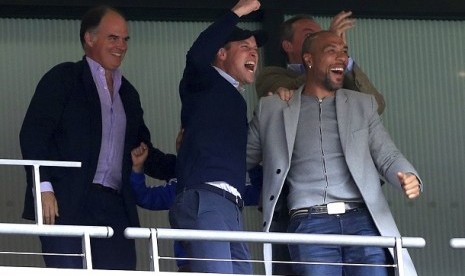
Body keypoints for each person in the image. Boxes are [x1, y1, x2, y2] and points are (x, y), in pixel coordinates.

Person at [246, 30, 422, 275]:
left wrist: (407, 176)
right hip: (309, 222)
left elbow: (388, 155)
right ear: (308, 59)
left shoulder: (363, 104)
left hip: (362, 220)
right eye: (331, 51)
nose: (341, 57)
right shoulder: (274, 108)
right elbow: (242, 157)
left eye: (345, 52)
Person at [19, 5, 176, 270]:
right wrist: (43, 186)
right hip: (64, 202)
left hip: (115, 207)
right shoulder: (64, 78)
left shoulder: (129, 94)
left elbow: (144, 151)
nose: (121, 46)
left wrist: (191, 165)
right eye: (113, 38)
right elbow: (34, 133)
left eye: (125, 39)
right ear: (89, 39)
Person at [168, 0, 267, 273]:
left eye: (255, 50)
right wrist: (236, 13)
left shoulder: (236, 99)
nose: (253, 54)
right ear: (221, 54)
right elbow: (196, 55)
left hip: (229, 205)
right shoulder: (204, 80)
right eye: (244, 47)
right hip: (206, 196)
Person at [130, 141, 263, 272]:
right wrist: (137, 167)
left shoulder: (227, 187)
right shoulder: (181, 186)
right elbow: (145, 197)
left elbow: (260, 193)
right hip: (189, 267)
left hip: (228, 265)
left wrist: (249, 159)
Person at [255, 12, 385, 115]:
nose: (321, 40)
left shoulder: (339, 75)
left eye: (322, 35)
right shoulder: (270, 75)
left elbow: (376, 106)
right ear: (288, 46)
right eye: (310, 35)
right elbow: (291, 95)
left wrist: (340, 57)